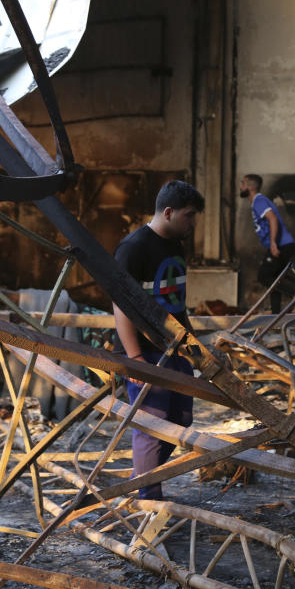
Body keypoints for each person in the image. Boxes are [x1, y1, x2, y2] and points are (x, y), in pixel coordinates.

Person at [113, 180, 204, 500]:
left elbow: (177, 302)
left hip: (174, 348)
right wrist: (135, 359)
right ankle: (148, 501)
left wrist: (193, 346)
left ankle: (141, 479)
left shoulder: (176, 245)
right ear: (168, 212)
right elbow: (121, 305)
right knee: (152, 425)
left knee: (181, 419)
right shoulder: (133, 248)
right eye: (189, 215)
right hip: (144, 353)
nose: (193, 223)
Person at [240, 174, 295, 313]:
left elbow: (273, 219)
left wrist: (273, 244)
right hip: (284, 244)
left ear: (251, 187)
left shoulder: (259, 201)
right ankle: (275, 316)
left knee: (264, 276)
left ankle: (294, 293)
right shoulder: (257, 202)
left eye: (243, 183)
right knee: (274, 280)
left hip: (281, 245)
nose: (240, 186)